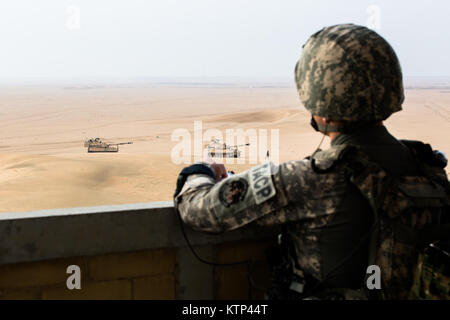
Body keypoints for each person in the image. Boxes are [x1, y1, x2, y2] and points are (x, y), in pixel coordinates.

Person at [173, 24, 449, 299]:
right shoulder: (428, 169)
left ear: (318, 99)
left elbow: (197, 210)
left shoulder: (309, 179)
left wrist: (200, 172)